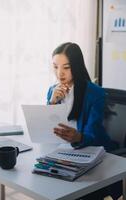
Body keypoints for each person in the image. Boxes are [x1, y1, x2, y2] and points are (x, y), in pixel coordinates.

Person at [47, 42, 122, 200]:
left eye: (66, 67)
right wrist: (52, 102)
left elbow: (93, 134)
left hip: (91, 153)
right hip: (62, 152)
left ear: (76, 66)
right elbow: (48, 126)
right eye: (55, 67)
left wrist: (78, 137)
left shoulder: (95, 94)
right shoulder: (52, 91)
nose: (59, 73)